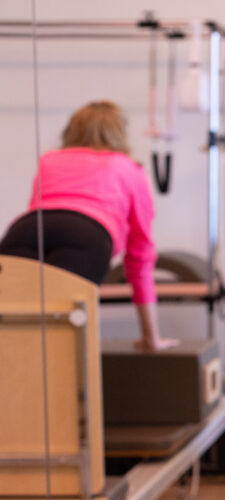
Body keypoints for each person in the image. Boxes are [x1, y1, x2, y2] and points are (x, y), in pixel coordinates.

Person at [0, 100, 177, 350]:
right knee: (61, 329)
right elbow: (140, 255)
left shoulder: (49, 160)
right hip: (86, 235)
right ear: (119, 132)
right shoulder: (129, 168)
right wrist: (152, 338)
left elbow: (38, 209)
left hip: (24, 230)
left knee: (9, 323)